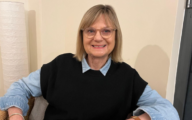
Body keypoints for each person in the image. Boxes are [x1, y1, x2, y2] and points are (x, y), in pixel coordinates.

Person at [0, 4, 179, 120]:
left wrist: (142, 118)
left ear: (116, 36)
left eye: (106, 31)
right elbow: (20, 87)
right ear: (82, 36)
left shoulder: (127, 77)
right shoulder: (61, 65)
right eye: (90, 31)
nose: (98, 38)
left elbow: (169, 111)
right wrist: (16, 113)